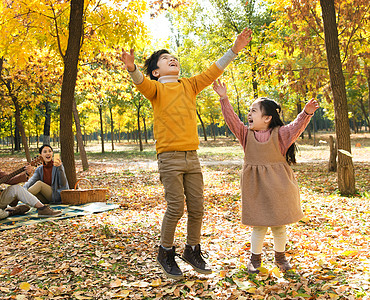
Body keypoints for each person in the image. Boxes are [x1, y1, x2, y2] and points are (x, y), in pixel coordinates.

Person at [120, 28, 252, 279]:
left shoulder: (190, 85)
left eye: (174, 57)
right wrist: (132, 68)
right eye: (165, 58)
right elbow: (140, 82)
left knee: (197, 207)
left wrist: (235, 49)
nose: (172, 59)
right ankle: (165, 251)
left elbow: (214, 70)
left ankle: (192, 249)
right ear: (156, 72)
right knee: (175, 207)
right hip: (169, 158)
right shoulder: (156, 89)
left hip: (192, 157)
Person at [212, 80, 319, 273]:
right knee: (259, 226)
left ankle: (280, 257)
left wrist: (307, 113)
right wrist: (224, 98)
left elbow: (297, 126)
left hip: (279, 186)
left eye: (254, 111)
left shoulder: (281, 134)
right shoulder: (245, 134)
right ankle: (255, 259)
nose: (249, 114)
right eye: (250, 111)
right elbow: (232, 120)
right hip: (256, 187)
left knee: (279, 226)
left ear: (267, 118)